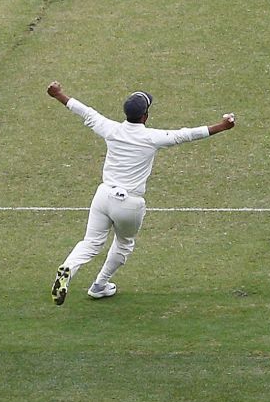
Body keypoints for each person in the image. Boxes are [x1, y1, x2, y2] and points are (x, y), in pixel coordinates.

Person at [45, 82, 235, 304]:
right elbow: (186, 135)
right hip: (129, 203)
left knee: (91, 243)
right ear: (145, 117)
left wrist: (59, 94)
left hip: (104, 195)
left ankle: (69, 266)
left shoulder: (111, 129)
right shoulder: (152, 137)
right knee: (124, 243)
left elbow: (85, 112)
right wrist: (222, 126)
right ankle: (99, 285)